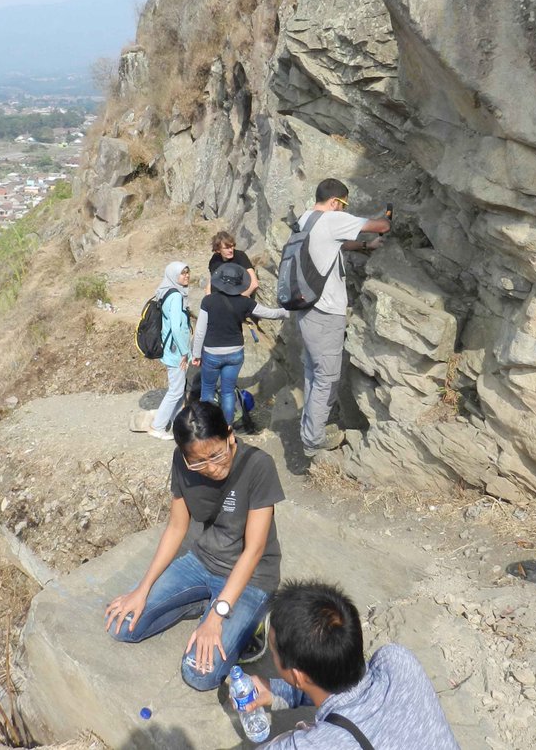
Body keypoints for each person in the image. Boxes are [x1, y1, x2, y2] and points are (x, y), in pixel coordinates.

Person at [105, 399, 285, 691]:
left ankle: (248, 620)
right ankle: (204, 602)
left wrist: (217, 616)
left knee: (200, 674)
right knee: (121, 625)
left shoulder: (258, 465)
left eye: (216, 455)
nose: (211, 468)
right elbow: (177, 527)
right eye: (198, 462)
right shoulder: (182, 461)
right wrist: (143, 588)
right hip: (201, 562)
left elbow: (253, 551)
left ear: (229, 435)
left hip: (252, 578)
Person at [242, 580, 461, 749]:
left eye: (273, 652)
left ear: (298, 676)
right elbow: (343, 677)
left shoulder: (311, 745)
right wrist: (280, 691)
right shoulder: (397, 661)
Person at [294, 179, 391, 455]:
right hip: (326, 314)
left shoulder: (305, 219)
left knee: (313, 374)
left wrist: (364, 246)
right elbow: (381, 226)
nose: (344, 210)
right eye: (344, 205)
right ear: (336, 202)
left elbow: (335, 245)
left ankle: (308, 430)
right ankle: (313, 440)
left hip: (306, 310)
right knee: (326, 378)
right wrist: (387, 216)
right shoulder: (332, 219)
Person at [192, 261, 289, 425]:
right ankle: (228, 428)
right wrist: (291, 310)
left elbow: (200, 331)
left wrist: (196, 354)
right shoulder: (245, 302)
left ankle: (206, 427)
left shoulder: (208, 301)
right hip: (235, 353)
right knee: (228, 392)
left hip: (212, 353)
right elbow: (271, 314)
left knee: (207, 391)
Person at [147, 261, 192, 441]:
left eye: (187, 272)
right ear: (174, 276)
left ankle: (176, 423)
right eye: (182, 273)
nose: (186, 276)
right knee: (175, 391)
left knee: (178, 390)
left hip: (170, 348)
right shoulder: (175, 296)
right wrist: (184, 352)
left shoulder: (166, 291)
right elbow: (176, 327)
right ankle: (157, 427)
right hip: (176, 350)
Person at [205, 230, 258, 297]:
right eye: (226, 248)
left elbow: (254, 284)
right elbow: (212, 281)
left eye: (232, 246)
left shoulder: (240, 256)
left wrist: (239, 299)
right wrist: (209, 299)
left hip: (239, 297)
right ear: (218, 250)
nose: (230, 250)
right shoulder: (215, 259)